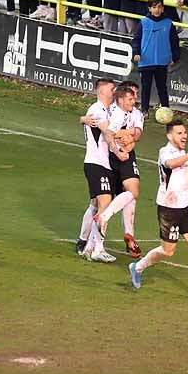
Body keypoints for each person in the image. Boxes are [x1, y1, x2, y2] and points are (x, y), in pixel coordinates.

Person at [128, 119, 188, 299]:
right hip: (169, 209)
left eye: (185, 132)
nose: (184, 135)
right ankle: (138, 267)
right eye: (180, 133)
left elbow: (180, 175)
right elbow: (171, 165)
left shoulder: (181, 151)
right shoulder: (165, 151)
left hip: (185, 205)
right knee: (168, 251)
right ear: (169, 135)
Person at [95, 84, 144, 258]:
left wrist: (128, 138)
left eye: (136, 95)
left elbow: (137, 135)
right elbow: (107, 132)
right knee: (98, 203)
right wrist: (122, 137)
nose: (135, 98)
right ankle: (87, 241)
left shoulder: (136, 113)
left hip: (126, 157)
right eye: (131, 95)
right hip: (107, 156)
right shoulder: (111, 110)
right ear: (122, 96)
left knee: (133, 192)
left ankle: (129, 235)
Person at [76, 78, 118, 262]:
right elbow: (107, 131)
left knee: (95, 204)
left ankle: (84, 243)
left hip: (104, 164)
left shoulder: (111, 110)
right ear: (101, 92)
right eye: (111, 88)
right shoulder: (96, 110)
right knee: (105, 205)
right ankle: (97, 249)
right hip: (96, 163)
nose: (114, 91)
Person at [133, 0, 180, 115]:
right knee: (146, 87)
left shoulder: (168, 23)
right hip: (146, 60)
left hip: (161, 61)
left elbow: (174, 41)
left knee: (162, 87)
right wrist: (136, 53)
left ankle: (166, 110)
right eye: (154, 7)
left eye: (159, 7)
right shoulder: (144, 22)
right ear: (149, 9)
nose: (157, 9)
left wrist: (175, 57)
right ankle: (144, 110)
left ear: (163, 8)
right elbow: (137, 39)